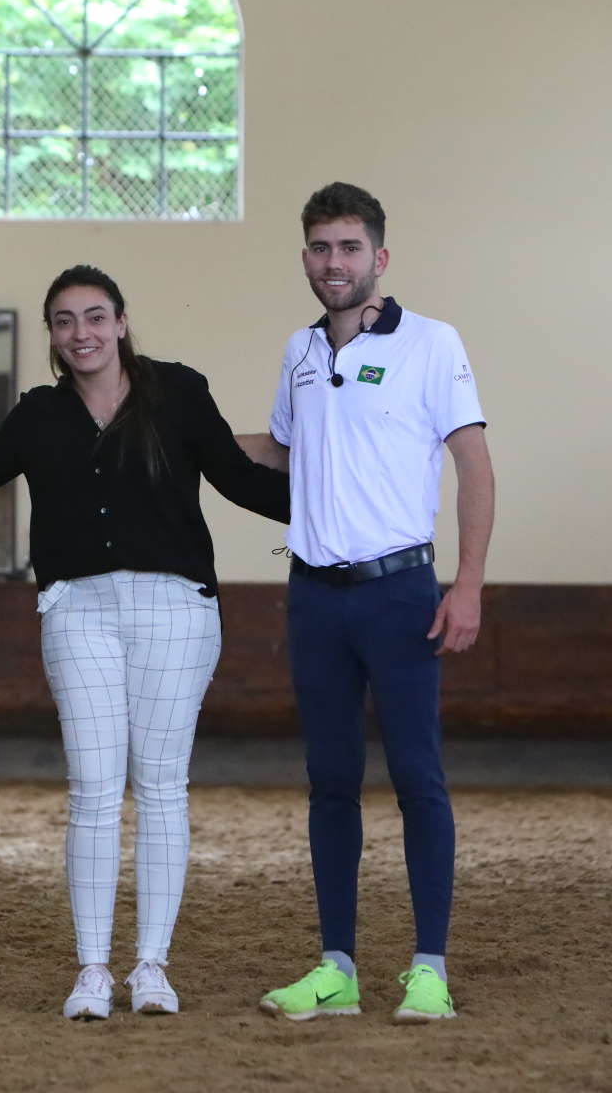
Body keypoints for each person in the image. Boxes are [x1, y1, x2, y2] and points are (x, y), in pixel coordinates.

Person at [0, 265, 290, 1021]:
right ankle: (93, 969)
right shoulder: (40, 414)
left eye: (95, 317)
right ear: (53, 336)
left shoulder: (178, 392)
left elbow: (240, 480)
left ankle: (152, 967)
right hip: (78, 611)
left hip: (176, 608)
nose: (81, 333)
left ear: (121, 323)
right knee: (93, 791)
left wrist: (343, 500)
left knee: (161, 788)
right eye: (64, 321)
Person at [236, 182, 494, 1025]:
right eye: (320, 247)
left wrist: (467, 584)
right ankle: (337, 969)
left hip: (400, 594)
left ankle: (429, 968)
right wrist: (179, 431)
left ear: (379, 257)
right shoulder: (300, 351)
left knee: (418, 777)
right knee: (330, 782)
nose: (334, 262)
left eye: (349, 247)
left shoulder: (432, 343)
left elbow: (474, 466)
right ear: (305, 258)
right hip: (314, 599)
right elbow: (284, 452)